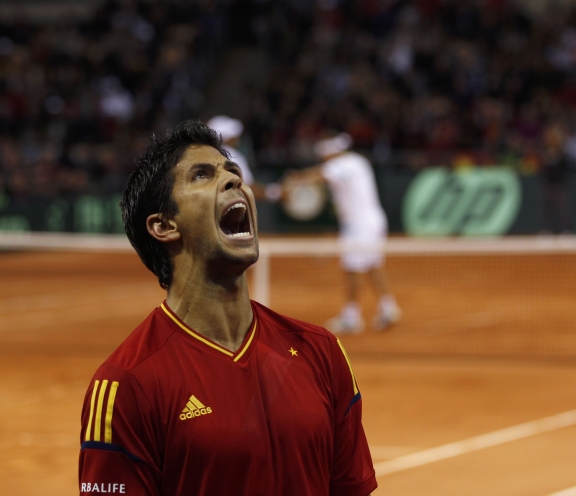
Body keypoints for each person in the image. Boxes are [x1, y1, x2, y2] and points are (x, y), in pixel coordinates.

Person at [78, 121, 377, 496]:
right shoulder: (126, 384)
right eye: (202, 175)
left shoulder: (323, 352)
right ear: (164, 225)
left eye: (233, 171)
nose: (234, 180)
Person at [287, 132, 401, 334]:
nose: (321, 157)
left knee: (352, 269)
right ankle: (389, 308)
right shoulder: (357, 161)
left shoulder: (343, 164)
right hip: (371, 222)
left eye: (323, 152)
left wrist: (296, 179)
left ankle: (351, 317)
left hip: (360, 227)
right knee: (373, 264)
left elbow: (319, 175)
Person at [206, 115, 282, 202]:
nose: (237, 139)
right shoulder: (231, 155)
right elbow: (246, 189)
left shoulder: (203, 156)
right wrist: (277, 192)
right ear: (227, 138)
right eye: (233, 136)